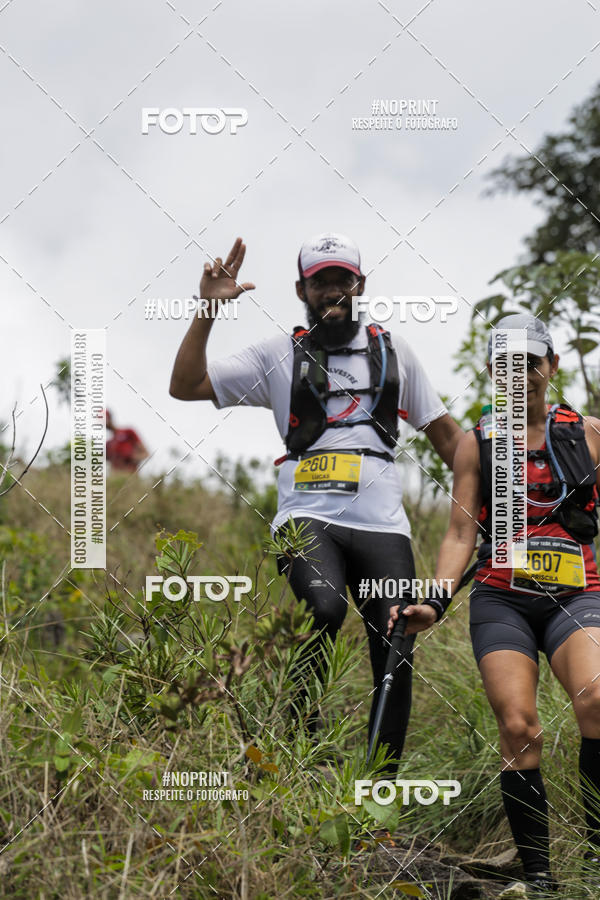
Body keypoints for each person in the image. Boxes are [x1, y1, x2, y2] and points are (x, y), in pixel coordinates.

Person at [170, 233, 463, 773]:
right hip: (308, 517)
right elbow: (185, 386)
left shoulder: (393, 352)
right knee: (323, 609)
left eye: (341, 278)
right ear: (302, 288)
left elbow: (447, 438)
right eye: (320, 280)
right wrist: (209, 308)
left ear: (360, 284)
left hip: (384, 527)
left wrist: (493, 497)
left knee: (396, 641)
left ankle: (378, 792)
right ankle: (300, 752)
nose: (332, 289)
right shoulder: (277, 354)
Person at [388, 313, 600, 895]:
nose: (520, 374)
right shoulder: (475, 443)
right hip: (503, 597)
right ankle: (539, 878)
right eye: (506, 364)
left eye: (530, 362)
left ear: (550, 367)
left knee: (598, 700)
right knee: (518, 726)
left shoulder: (589, 435)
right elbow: (460, 534)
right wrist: (436, 598)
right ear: (491, 373)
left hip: (577, 594)